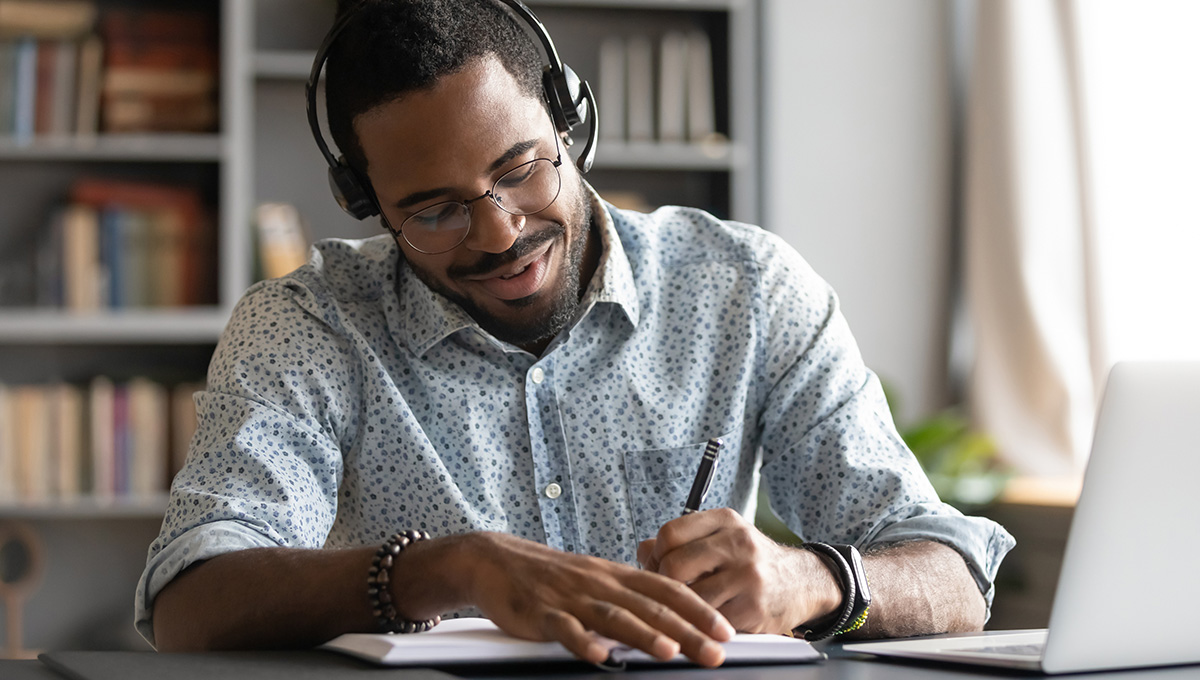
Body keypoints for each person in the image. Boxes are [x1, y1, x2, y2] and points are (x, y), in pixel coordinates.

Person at [140, 0, 1014, 667]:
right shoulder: (308, 325)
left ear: (572, 124)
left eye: (519, 170)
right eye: (434, 210)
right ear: (368, 204)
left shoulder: (746, 290)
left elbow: (952, 574)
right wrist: (448, 569)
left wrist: (810, 580)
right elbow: (192, 598)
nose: (497, 234)